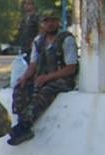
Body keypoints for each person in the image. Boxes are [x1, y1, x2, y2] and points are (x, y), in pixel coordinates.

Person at [8, 11, 77, 144]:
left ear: (58, 22)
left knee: (44, 93)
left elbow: (71, 68)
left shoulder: (66, 39)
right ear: (42, 24)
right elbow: (33, 64)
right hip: (42, 78)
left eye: (53, 21)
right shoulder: (38, 41)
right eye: (47, 21)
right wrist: (25, 77)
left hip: (62, 79)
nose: (50, 24)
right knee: (20, 89)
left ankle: (24, 127)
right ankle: (22, 124)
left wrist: (47, 78)